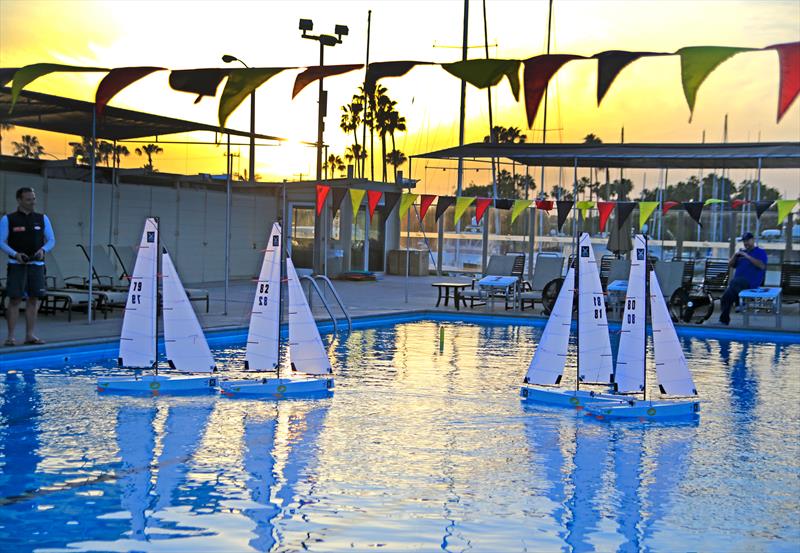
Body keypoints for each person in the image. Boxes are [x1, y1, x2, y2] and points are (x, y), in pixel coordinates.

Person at [1, 187, 56, 345]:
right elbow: (1, 241)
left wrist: (43, 250)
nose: (33, 202)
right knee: (15, 300)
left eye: (33, 199)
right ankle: (10, 337)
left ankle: (30, 335)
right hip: (17, 264)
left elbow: (51, 240)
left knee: (33, 299)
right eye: (29, 199)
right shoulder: (9, 219)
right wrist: (15, 254)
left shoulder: (42, 218)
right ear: (19, 200)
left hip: (36, 265)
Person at [718, 232, 767, 326]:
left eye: (747, 240)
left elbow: (761, 266)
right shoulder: (741, 253)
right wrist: (735, 255)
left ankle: (739, 303)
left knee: (735, 281)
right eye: (744, 241)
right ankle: (724, 321)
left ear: (753, 240)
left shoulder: (760, 252)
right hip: (737, 285)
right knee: (726, 297)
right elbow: (730, 265)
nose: (746, 243)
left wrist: (747, 256)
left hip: (750, 284)